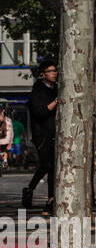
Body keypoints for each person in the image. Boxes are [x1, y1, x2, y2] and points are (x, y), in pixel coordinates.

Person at [23, 59, 58, 210]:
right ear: (43, 74)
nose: (54, 73)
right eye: (50, 71)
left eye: (55, 71)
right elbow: (40, 112)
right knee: (46, 165)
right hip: (41, 134)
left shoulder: (57, 88)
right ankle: (29, 189)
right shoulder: (37, 91)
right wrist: (56, 102)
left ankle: (51, 199)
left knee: (53, 168)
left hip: (55, 134)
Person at [0, 107, 11, 173]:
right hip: (4, 138)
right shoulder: (7, 119)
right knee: (4, 152)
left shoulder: (5, 119)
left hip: (3, 138)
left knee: (3, 151)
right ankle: (5, 162)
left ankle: (4, 162)